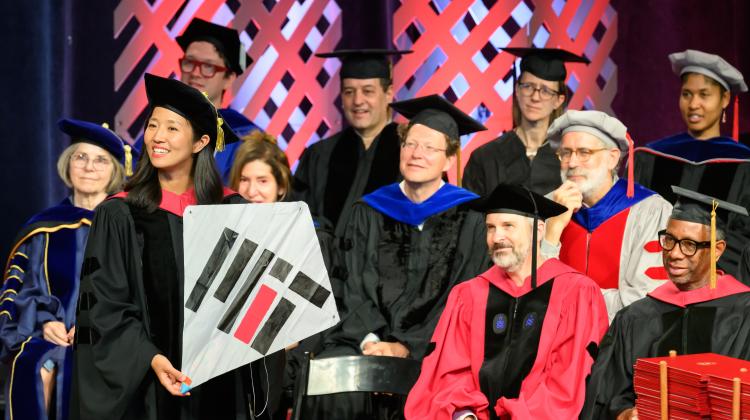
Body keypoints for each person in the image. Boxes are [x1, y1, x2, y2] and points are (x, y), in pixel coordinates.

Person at [70, 74, 252, 420]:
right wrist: (150, 358)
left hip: (219, 384)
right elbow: (104, 306)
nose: (157, 137)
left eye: (172, 128)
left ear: (200, 142)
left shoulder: (232, 212)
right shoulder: (120, 214)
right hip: (147, 388)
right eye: (153, 125)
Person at [305, 94, 491, 419]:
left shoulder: (471, 216)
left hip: (435, 346)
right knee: (331, 381)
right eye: (410, 145)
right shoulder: (368, 210)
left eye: (430, 148)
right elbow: (350, 286)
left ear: (449, 159)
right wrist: (373, 343)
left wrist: (406, 346)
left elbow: (464, 298)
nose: (417, 154)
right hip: (365, 339)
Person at [405, 183, 608, 420]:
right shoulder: (469, 294)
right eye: (490, 228)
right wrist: (465, 414)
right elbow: (450, 372)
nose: (497, 237)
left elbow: (566, 380)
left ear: (539, 230)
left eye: (508, 226)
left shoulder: (575, 292)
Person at [581, 186, 750, 420]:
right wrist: (624, 413)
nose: (674, 253)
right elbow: (603, 394)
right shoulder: (634, 317)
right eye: (669, 240)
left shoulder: (743, 314)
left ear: (717, 250)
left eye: (689, 245)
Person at [0, 118, 130, 420]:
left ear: (114, 172)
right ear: (67, 165)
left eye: (100, 160)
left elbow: (136, 293)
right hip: (50, 336)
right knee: (37, 365)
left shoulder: (128, 227)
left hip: (108, 338)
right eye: (80, 157)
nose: (88, 167)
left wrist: (94, 325)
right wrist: (45, 323)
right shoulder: (43, 227)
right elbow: (23, 287)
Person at [543, 110, 673, 320]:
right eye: (566, 153)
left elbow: (643, 299)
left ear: (612, 158)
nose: (573, 162)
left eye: (584, 152)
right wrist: (553, 228)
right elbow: (529, 289)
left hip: (619, 344)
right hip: (554, 344)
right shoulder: (544, 207)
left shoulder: (650, 212)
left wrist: (569, 306)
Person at [633, 49, 750, 277]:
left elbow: (744, 234)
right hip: (653, 272)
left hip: (720, 280)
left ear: (724, 99)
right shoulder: (651, 154)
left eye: (704, 94)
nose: (694, 104)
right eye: (687, 94)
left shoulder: (743, 162)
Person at [291, 49, 410, 238]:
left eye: (368, 91)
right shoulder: (319, 155)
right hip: (325, 264)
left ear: (388, 94)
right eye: (349, 92)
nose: (357, 101)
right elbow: (298, 219)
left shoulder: (412, 154)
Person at [134, 18, 260, 185]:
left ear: (229, 78)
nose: (195, 73)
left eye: (208, 66)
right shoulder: (156, 131)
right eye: (189, 62)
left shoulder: (245, 138)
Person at [463, 48, 588, 196]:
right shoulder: (485, 157)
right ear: (517, 89)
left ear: (559, 100)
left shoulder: (568, 158)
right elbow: (469, 215)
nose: (535, 97)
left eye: (546, 91)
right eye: (528, 86)